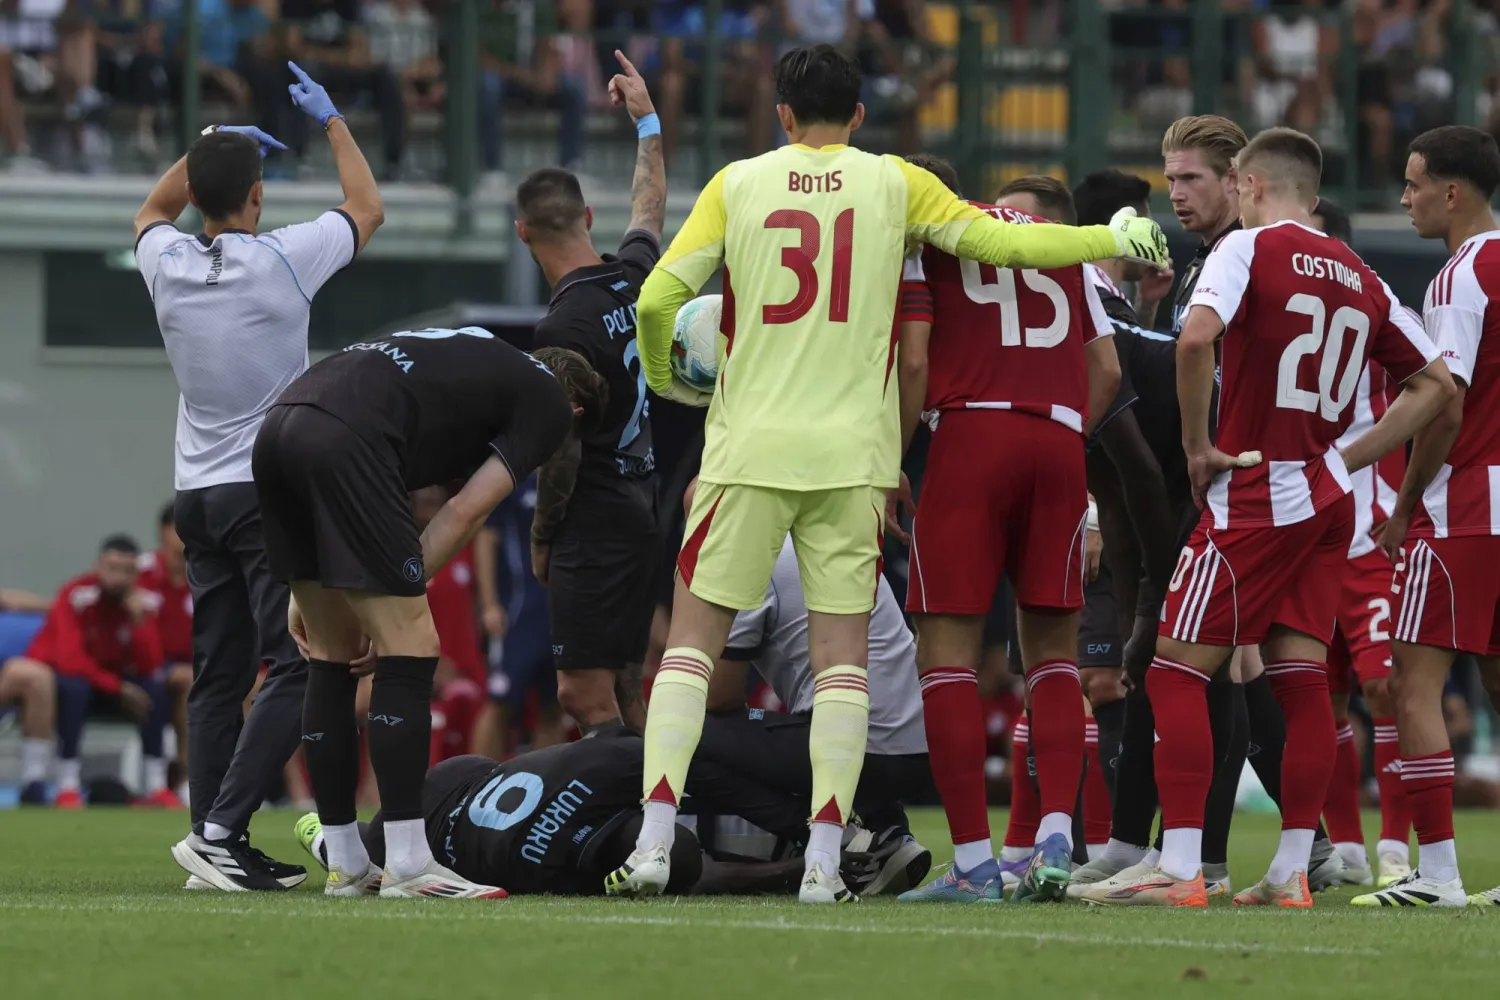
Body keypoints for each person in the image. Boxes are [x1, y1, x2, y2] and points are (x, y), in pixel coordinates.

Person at [615, 42, 1168, 904]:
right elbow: (994, 239)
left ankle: (653, 843)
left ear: (783, 115)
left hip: (749, 447)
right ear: (862, 117)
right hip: (857, 459)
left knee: (690, 646)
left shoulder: (738, 181)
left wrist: (663, 376)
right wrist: (1109, 236)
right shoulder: (895, 184)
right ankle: (826, 866)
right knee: (846, 667)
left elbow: (656, 300)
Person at [1086, 127, 1455, 909]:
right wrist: (1348, 460)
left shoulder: (1246, 250)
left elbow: (1195, 340)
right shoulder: (1362, 273)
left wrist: (1197, 445)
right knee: (1298, 683)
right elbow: (1436, 388)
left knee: (1177, 671)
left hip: (1253, 490)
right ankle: (1291, 873)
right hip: (1327, 502)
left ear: (1249, 186)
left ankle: (1181, 866)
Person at [137, 63, 384, 892]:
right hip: (262, 492)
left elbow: (151, 210)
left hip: (195, 497)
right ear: (257, 198)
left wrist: (208, 144)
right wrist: (334, 122)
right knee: (297, 662)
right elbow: (366, 209)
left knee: (216, 674)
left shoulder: (165, 261)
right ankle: (221, 830)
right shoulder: (281, 259)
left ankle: (213, 843)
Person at [254, 321, 607, 898]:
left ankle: (346, 862)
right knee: (412, 647)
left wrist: (317, 592)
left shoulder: (480, 356)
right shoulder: (547, 400)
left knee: (331, 654)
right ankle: (410, 862)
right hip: (346, 436)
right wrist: (395, 590)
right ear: (574, 410)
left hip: (281, 426)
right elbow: (466, 510)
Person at [893, 173, 1122, 904]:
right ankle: (1056, 835)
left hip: (971, 434)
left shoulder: (933, 233)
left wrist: (887, 461)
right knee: (1052, 655)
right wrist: (1062, 435)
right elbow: (1108, 368)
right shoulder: (1065, 247)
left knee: (946, 655)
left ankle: (971, 864)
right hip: (1059, 442)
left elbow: (917, 358)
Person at [1353, 125, 1500, 908]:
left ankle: (1437, 875)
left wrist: (1402, 504)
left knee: (1413, 678)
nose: (1404, 199)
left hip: (1467, 504)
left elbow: (1445, 399)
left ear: (1453, 191)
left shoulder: (1460, 276)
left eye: (1412, 185)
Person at [515, 50, 666, 735]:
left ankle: (626, 827)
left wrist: (543, 539)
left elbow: (562, 451)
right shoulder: (634, 274)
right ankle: (659, 822)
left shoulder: (557, 328)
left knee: (583, 695)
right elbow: (650, 207)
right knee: (628, 685)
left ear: (523, 233)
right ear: (588, 216)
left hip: (595, 522)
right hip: (643, 506)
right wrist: (647, 122)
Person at [705, 532, 933, 898]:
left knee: (695, 734)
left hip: (855, 747)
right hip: (918, 747)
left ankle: (845, 840)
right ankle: (889, 832)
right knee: (840, 709)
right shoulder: (833, 535)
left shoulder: (750, 554)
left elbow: (719, 697)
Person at [13, 535, 169, 808]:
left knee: (154, 688)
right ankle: (67, 784)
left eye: (127, 571)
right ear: (98, 566)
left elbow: (150, 664)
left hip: (108, 684)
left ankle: (156, 785)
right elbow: (70, 660)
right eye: (112, 568)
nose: (118, 578)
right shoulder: (75, 595)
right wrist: (118, 686)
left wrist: (139, 622)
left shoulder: (141, 604)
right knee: (75, 687)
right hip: (71, 683)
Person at [472, 477, 565, 757]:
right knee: (500, 701)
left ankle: (550, 790)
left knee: (555, 704)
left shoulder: (568, 479)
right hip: (518, 613)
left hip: (559, 613)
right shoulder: (512, 479)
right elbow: (487, 537)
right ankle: (473, 784)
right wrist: (489, 604)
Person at [135, 502, 196, 802]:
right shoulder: (139, 573)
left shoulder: (205, 575)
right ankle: (178, 780)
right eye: (180, 529)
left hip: (192, 669)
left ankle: (241, 784)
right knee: (188, 682)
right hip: (140, 669)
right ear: (164, 531)